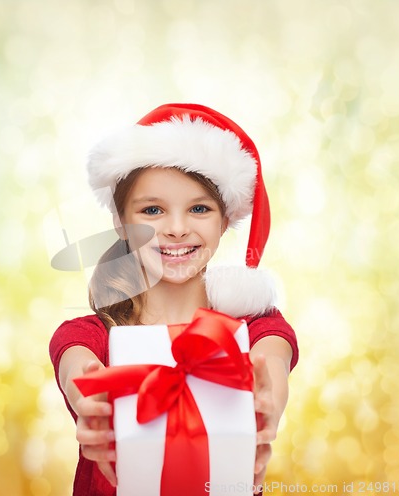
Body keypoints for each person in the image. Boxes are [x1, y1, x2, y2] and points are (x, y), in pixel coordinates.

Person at [49, 103, 299, 496]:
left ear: (224, 221)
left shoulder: (254, 327)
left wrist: (270, 394)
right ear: (121, 222)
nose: (177, 229)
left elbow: (273, 358)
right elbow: (76, 366)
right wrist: (91, 396)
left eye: (199, 208)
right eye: (153, 210)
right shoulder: (91, 335)